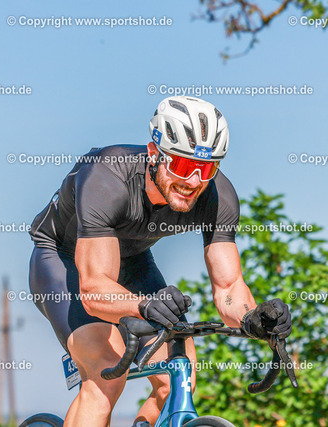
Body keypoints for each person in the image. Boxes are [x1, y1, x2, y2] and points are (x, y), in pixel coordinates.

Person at [28, 96, 292, 427]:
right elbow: (94, 290)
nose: (193, 181)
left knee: (179, 377)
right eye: (181, 166)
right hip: (65, 260)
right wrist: (143, 307)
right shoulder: (107, 177)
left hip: (134, 261)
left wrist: (252, 318)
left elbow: (228, 287)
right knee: (105, 371)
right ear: (154, 153)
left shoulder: (218, 197)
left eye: (206, 169)